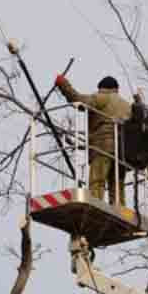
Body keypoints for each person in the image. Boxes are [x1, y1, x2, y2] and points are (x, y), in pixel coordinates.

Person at [55, 74, 131, 206]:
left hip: (104, 145)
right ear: (116, 88)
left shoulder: (103, 97)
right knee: (117, 185)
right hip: (122, 150)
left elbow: (78, 100)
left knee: (97, 180)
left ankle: (95, 205)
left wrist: (63, 84)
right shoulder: (127, 106)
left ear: (103, 88)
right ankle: (120, 208)